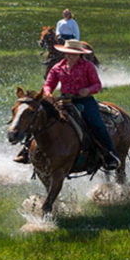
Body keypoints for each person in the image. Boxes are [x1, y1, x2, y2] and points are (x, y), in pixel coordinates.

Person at [29, 39, 120, 171]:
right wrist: (47, 92)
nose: (69, 56)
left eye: (73, 54)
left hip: (85, 101)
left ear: (79, 54)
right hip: (63, 101)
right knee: (39, 119)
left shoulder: (88, 66)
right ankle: (28, 151)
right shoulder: (57, 67)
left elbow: (97, 85)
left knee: (96, 124)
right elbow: (49, 84)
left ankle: (110, 155)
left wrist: (88, 90)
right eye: (67, 53)